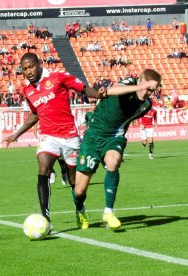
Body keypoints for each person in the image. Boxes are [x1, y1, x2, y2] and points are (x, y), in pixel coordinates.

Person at [3, 53, 104, 227]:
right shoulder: (27, 90)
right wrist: (16, 134)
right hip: (48, 136)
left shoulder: (58, 76)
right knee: (43, 169)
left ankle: (80, 211)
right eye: (25, 69)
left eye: (31, 67)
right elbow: (35, 114)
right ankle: (46, 219)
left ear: (39, 64)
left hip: (70, 136)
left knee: (76, 184)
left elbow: (83, 88)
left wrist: (99, 95)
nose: (28, 71)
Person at [72, 69, 161, 230]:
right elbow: (111, 91)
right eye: (147, 88)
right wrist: (139, 87)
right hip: (92, 137)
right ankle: (80, 210)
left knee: (113, 161)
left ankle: (108, 212)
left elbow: (126, 120)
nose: (148, 93)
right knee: (79, 190)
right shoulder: (128, 83)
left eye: (152, 90)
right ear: (139, 81)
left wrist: (119, 144)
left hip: (113, 137)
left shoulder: (147, 105)